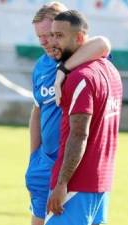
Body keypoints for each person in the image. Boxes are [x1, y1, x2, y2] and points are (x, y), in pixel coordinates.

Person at [25, 2, 112, 225]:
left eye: (50, 35)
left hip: (71, 167)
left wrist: (64, 69)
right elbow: (37, 110)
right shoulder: (41, 66)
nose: (45, 42)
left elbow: (103, 43)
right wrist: (34, 157)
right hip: (44, 164)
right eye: (39, 37)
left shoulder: (80, 58)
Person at [45, 10, 123, 225]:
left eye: (59, 36)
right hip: (100, 184)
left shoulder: (80, 78)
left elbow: (79, 135)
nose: (53, 42)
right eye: (51, 35)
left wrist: (62, 183)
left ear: (79, 38)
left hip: (76, 186)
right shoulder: (110, 70)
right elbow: (102, 44)